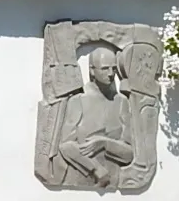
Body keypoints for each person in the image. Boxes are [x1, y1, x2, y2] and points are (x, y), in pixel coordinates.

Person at [58, 47, 135, 188]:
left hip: (114, 184)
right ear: (92, 70)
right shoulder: (78, 100)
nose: (111, 74)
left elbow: (129, 153)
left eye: (114, 69)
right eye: (105, 69)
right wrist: (95, 169)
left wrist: (105, 144)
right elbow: (65, 145)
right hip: (81, 179)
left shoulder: (121, 102)